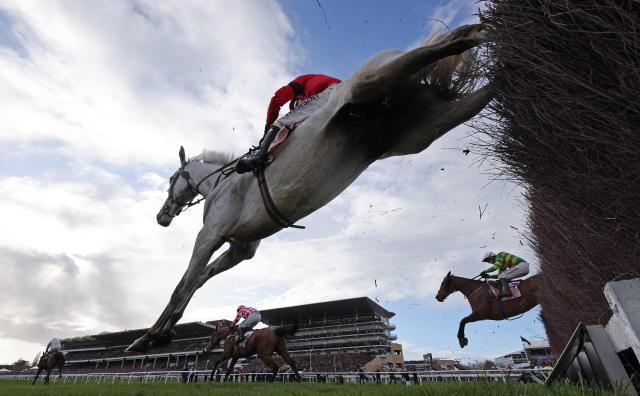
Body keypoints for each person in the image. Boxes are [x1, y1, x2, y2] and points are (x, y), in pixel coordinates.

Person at [236, 74, 341, 173]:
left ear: (297, 98)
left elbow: (276, 101)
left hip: (332, 92)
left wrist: (267, 129)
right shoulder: (315, 85)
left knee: (281, 123)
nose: (298, 107)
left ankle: (258, 158)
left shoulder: (300, 83)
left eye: (297, 105)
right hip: (338, 94)